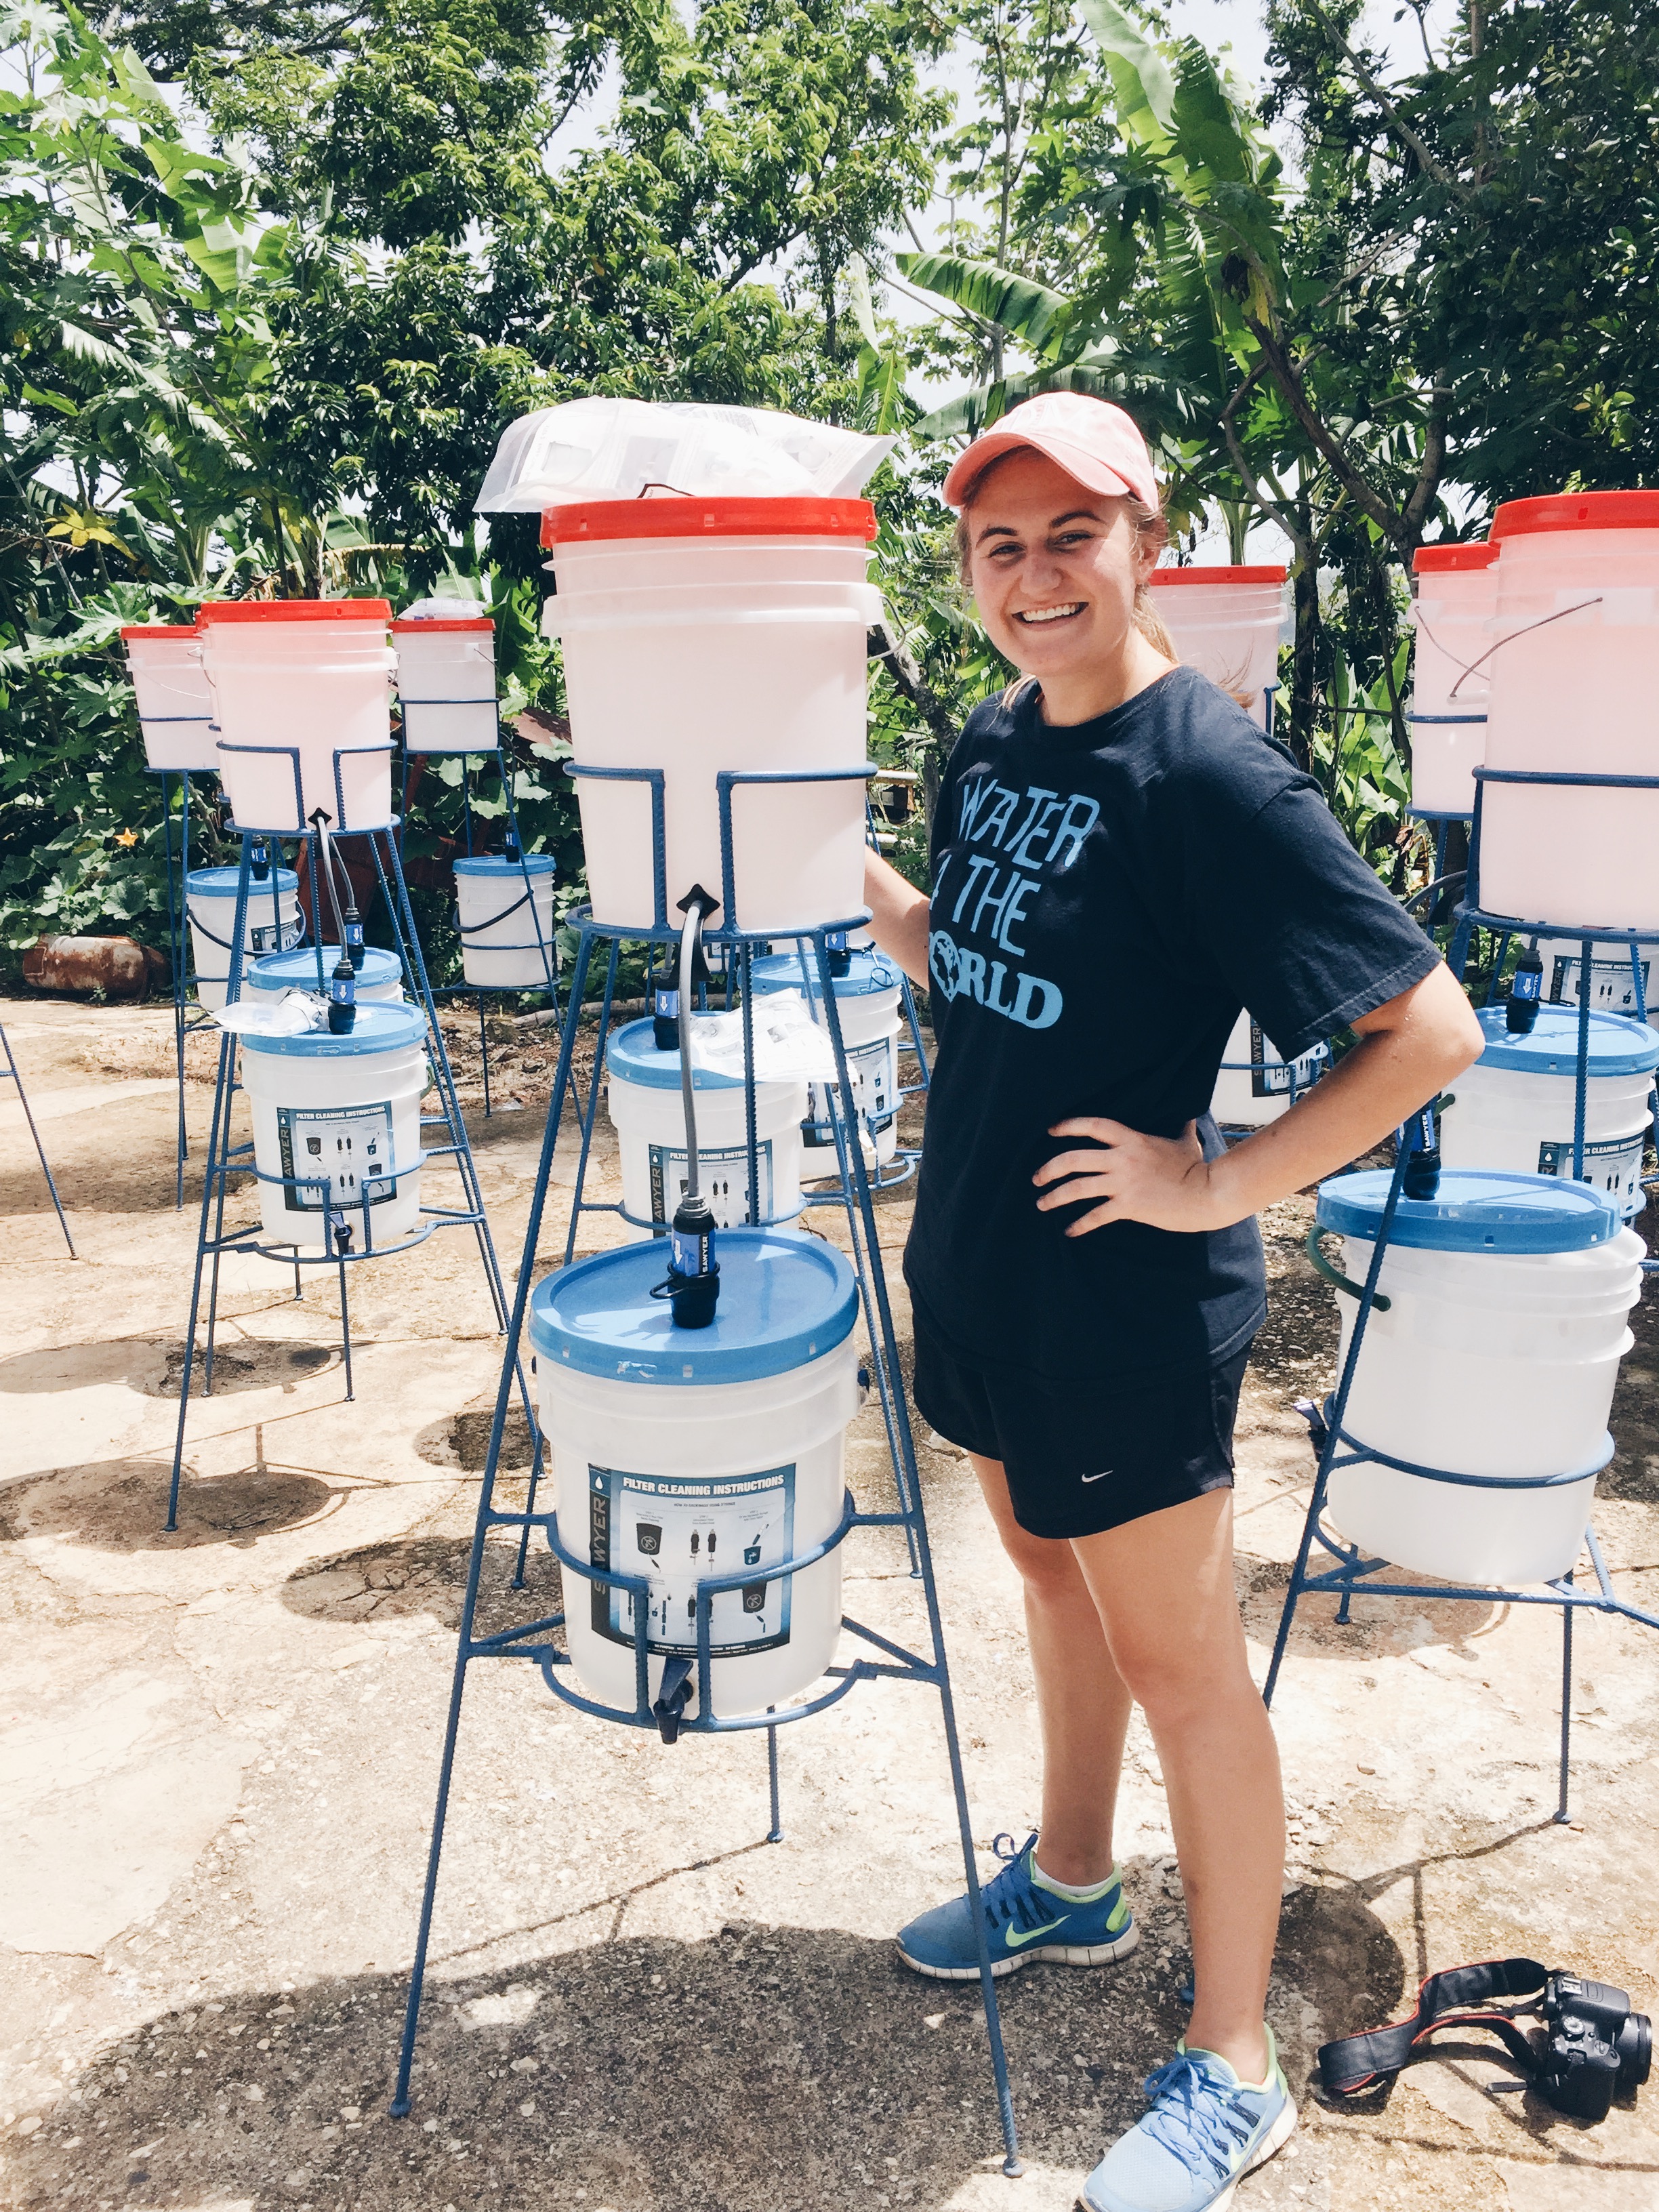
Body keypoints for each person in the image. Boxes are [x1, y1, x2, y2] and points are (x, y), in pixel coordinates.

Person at [861, 392, 1483, 2212]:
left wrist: (1218, 1179)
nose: (1035, 575)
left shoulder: (1208, 776)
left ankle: (1234, 2063)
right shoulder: (994, 740)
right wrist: (827, 855)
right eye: (999, 545)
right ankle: (1073, 1883)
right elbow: (969, 967)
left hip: (1125, 1307)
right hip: (984, 1268)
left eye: (1074, 535)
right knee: (1049, 1579)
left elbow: (1426, 1033)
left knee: (1187, 1675)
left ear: (1149, 542)